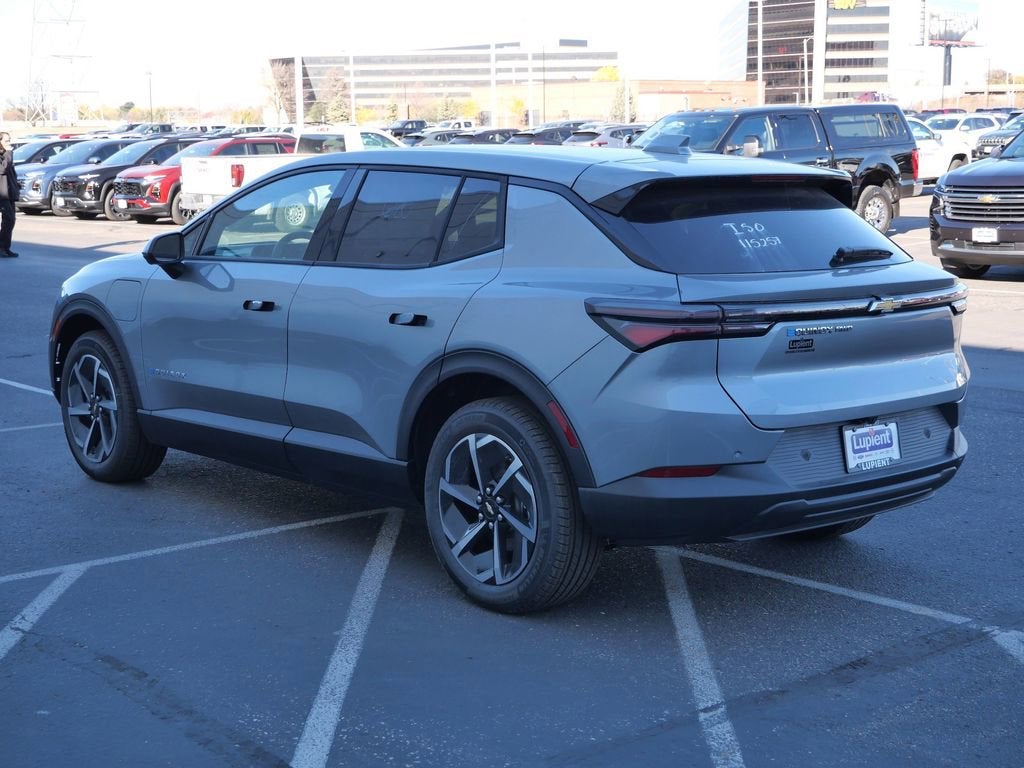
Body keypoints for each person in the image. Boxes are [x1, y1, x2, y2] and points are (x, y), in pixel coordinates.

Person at [0, 131, 19, 258]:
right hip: (1, 194)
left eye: (9, 140)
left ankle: (5, 247)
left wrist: (16, 187)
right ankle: (2, 247)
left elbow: (11, 173)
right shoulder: (6, 155)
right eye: (6, 141)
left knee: (10, 221)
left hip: (9, 192)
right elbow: (2, 169)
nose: (9, 143)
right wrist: (8, 153)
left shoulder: (6, 155)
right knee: (9, 219)